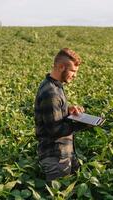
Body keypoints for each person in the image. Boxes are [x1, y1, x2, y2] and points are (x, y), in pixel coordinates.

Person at [34, 48, 89, 182]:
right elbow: (55, 130)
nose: (75, 75)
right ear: (61, 67)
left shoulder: (54, 86)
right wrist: (83, 123)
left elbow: (53, 114)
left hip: (64, 153)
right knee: (59, 194)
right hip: (56, 158)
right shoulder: (51, 93)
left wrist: (67, 110)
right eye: (73, 71)